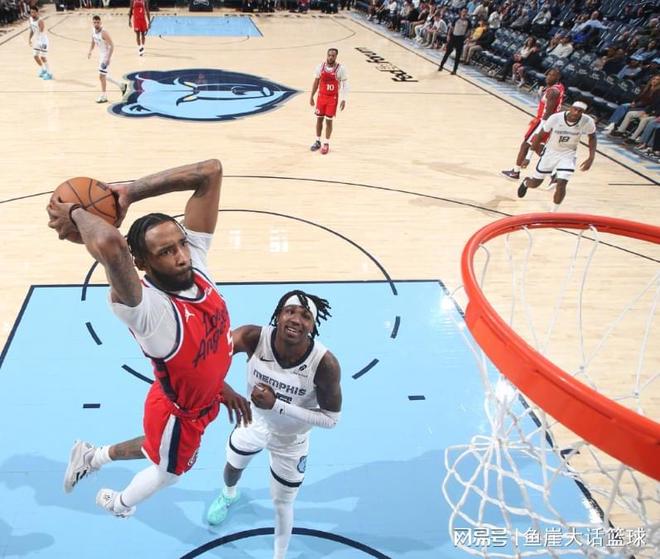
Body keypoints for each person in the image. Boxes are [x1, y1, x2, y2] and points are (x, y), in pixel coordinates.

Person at [46, 159, 252, 517]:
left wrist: (130, 192)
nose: (182, 256)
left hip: (200, 396)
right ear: (141, 263)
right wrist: (77, 213)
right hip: (181, 413)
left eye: (181, 244)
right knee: (169, 471)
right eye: (166, 252)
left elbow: (210, 172)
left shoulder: (194, 263)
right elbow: (110, 243)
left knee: (157, 446)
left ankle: (91, 456)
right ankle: (119, 504)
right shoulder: (147, 310)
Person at [206, 290, 342, 559]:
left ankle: (279, 556)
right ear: (278, 315)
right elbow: (205, 360)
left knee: (283, 504)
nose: (296, 320)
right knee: (232, 467)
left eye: (305, 316)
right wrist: (225, 390)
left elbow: (331, 420)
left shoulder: (325, 364)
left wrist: (277, 405)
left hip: (291, 441)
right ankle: (229, 494)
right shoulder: (253, 337)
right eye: (290, 311)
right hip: (253, 421)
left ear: (313, 326)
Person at [517, 101, 597, 211]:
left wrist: (591, 157)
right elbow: (539, 136)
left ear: (583, 112)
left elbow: (592, 137)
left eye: (580, 111)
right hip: (550, 153)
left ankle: (553, 213)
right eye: (575, 109)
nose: (576, 112)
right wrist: (528, 157)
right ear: (570, 108)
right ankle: (526, 182)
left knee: (562, 183)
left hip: (568, 155)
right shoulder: (555, 118)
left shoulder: (587, 121)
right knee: (535, 183)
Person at [501, 68, 565, 181]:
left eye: (552, 75)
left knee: (526, 145)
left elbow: (548, 113)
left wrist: (540, 130)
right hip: (548, 123)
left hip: (543, 122)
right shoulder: (559, 87)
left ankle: (515, 172)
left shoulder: (553, 92)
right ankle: (554, 175)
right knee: (539, 148)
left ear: (558, 78)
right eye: (548, 75)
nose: (548, 77)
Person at [309, 48, 348, 155]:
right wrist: (311, 96)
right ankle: (317, 141)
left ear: (336, 56)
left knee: (329, 121)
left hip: (332, 98)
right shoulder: (320, 67)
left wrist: (344, 99)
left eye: (333, 56)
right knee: (319, 119)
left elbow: (345, 84)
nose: (330, 57)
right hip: (321, 97)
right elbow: (316, 82)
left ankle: (326, 143)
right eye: (329, 55)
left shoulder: (340, 69)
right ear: (327, 55)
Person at [88, 15, 127, 104]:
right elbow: (93, 41)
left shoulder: (104, 32)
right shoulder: (93, 30)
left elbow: (112, 45)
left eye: (98, 22)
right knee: (104, 76)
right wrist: (90, 51)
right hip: (101, 55)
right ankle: (121, 85)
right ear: (93, 23)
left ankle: (104, 96)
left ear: (100, 22)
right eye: (94, 22)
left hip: (106, 55)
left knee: (101, 76)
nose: (96, 24)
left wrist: (108, 59)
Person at [437, 7, 470, 75]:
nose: (464, 13)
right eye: (463, 11)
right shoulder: (456, 19)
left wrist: (467, 37)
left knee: (458, 55)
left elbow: (469, 30)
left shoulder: (468, 21)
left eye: (466, 12)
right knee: (447, 52)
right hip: (453, 37)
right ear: (461, 12)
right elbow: (451, 28)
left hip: (461, 38)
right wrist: (448, 36)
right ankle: (441, 66)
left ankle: (454, 70)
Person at [28, 6, 52, 80]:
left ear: (37, 12)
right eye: (31, 12)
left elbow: (41, 32)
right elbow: (32, 30)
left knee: (43, 57)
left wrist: (41, 43)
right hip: (37, 40)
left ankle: (49, 73)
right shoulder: (30, 19)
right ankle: (43, 69)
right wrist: (29, 39)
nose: (32, 13)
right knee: (35, 56)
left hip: (43, 41)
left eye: (34, 12)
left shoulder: (40, 21)